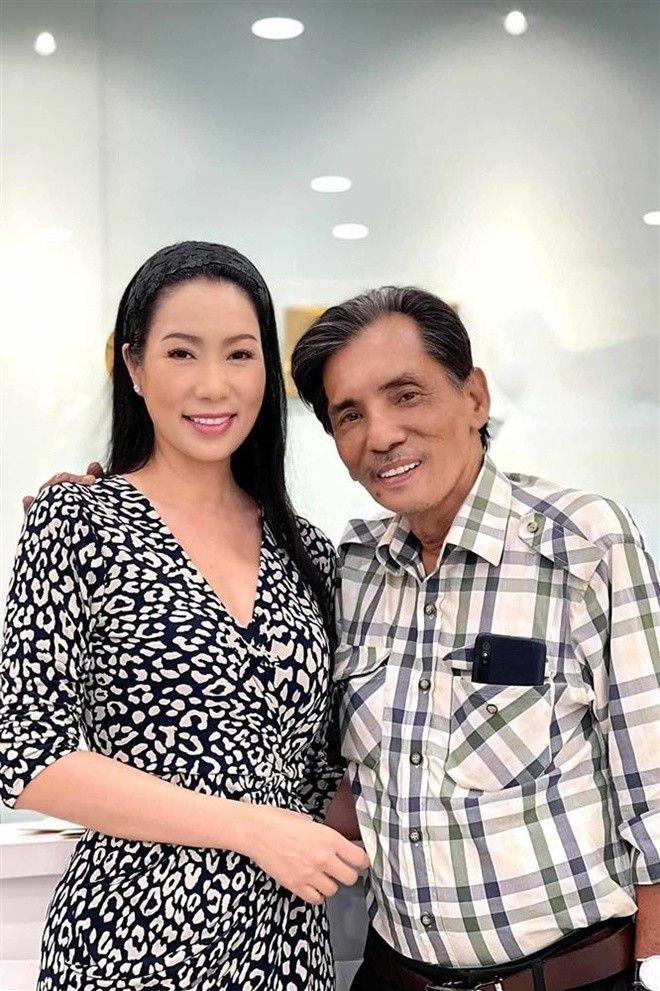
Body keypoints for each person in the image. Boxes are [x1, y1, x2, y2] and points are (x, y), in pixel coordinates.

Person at [0, 241, 368, 991]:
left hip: (285, 951)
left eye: (239, 354)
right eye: (180, 352)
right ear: (133, 367)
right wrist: (252, 827)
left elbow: (325, 773)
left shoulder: (309, 554)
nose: (212, 385)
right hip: (131, 944)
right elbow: (26, 756)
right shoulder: (78, 520)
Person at [290, 287, 660, 991]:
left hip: (568, 978)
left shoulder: (584, 544)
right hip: (393, 974)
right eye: (349, 415)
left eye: (406, 395)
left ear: (475, 398)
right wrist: (110, 508)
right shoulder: (355, 568)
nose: (380, 435)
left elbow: (655, 779)